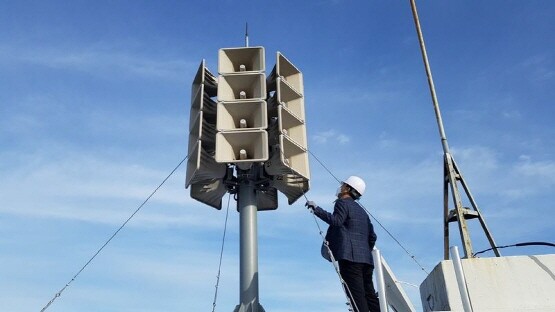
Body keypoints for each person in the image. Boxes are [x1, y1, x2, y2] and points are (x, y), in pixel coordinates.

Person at [306, 176, 380, 312]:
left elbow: (337, 221)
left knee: (356, 296)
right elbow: (372, 236)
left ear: (348, 189)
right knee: (369, 295)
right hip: (366, 261)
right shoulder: (363, 212)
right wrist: (363, 251)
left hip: (349, 259)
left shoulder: (342, 203)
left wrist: (316, 209)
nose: (341, 187)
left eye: (343, 185)